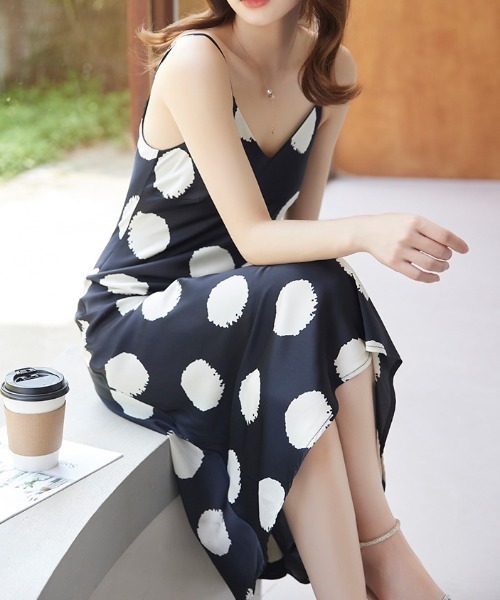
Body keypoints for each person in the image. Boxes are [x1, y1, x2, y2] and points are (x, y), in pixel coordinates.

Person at [75, 0, 468, 598]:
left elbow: (299, 237)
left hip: (249, 313)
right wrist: (369, 230)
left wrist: (348, 245)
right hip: (139, 319)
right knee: (308, 291)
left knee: (316, 294)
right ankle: (381, 555)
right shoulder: (198, 60)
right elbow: (257, 240)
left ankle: (363, 570)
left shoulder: (329, 68)